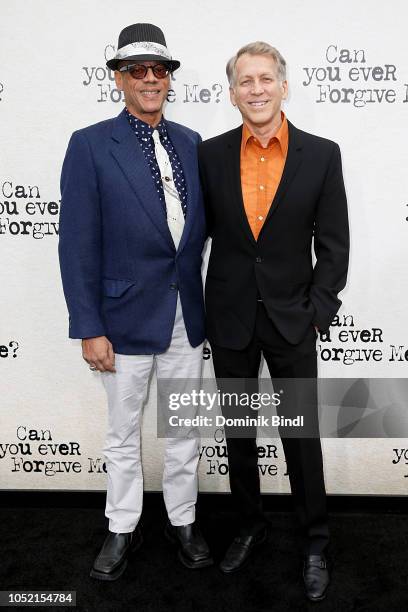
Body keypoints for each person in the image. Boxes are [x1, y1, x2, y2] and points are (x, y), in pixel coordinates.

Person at [59, 22, 212, 581]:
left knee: (184, 429)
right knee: (123, 433)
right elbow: (76, 243)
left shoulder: (193, 143)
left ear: (169, 79)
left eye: (159, 70)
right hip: (120, 322)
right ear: (118, 79)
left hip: (185, 319)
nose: (150, 80)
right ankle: (123, 525)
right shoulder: (90, 144)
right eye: (137, 71)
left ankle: (184, 519)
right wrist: (88, 325)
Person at [198, 41, 349, 601]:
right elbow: (196, 238)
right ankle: (250, 524)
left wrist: (317, 311)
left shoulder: (321, 154)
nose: (256, 89)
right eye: (245, 81)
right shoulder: (209, 155)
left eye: (266, 78)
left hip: (293, 320)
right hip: (230, 317)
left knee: (301, 436)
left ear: (284, 85)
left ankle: (314, 541)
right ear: (233, 92)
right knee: (239, 434)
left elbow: (334, 245)